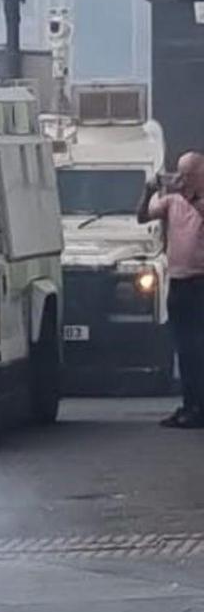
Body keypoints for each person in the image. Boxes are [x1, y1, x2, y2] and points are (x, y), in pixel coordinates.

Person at [140, 152, 204, 427]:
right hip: (178, 283)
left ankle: (199, 407)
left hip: (200, 282)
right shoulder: (172, 202)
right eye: (180, 174)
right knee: (185, 348)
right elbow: (142, 217)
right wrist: (149, 192)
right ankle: (190, 405)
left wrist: (192, 197)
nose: (183, 179)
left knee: (199, 348)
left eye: (188, 174)